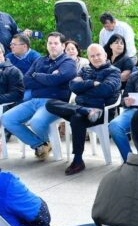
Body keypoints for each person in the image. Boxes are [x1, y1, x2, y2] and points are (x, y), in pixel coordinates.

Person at [44, 43, 120, 175]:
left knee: (76, 119)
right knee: (50, 103)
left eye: (98, 55)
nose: (96, 58)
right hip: (83, 108)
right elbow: (73, 86)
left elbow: (106, 90)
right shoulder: (85, 70)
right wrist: (92, 83)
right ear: (88, 57)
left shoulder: (113, 71)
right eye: (92, 56)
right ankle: (84, 111)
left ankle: (77, 160)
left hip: (101, 111)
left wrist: (83, 88)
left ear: (105, 55)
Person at [1, 32, 76, 159]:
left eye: (56, 43)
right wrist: (49, 77)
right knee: (6, 119)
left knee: (36, 122)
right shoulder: (40, 60)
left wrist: (37, 76)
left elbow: (56, 80)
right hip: (34, 100)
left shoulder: (68, 62)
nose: (52, 46)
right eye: (50, 43)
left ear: (63, 46)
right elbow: (26, 80)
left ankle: (45, 144)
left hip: (54, 103)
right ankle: (41, 144)